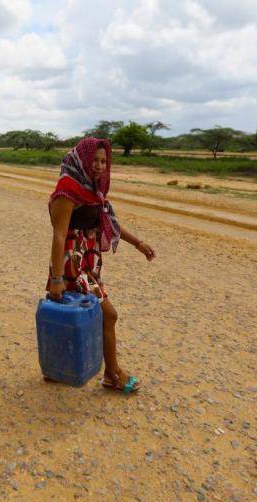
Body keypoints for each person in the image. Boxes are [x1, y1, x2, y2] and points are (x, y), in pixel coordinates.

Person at [47, 137, 155, 393]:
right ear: (83, 159)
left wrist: (137, 243)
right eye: (94, 160)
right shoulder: (68, 187)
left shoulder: (94, 189)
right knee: (109, 315)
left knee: (69, 314)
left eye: (103, 161)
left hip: (89, 260)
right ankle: (113, 374)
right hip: (72, 263)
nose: (98, 165)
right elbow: (59, 234)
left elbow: (109, 222)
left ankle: (56, 367)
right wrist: (56, 278)